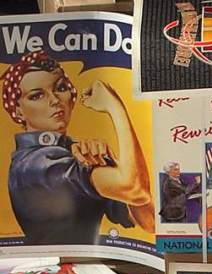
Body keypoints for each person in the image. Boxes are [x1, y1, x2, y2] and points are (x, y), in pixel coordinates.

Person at [2, 51, 153, 245]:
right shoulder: (35, 164)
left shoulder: (71, 153)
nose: (55, 100)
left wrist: (110, 160)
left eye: (61, 88)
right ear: (18, 110)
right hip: (53, 269)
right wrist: (115, 107)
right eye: (37, 95)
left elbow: (149, 221)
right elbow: (134, 189)